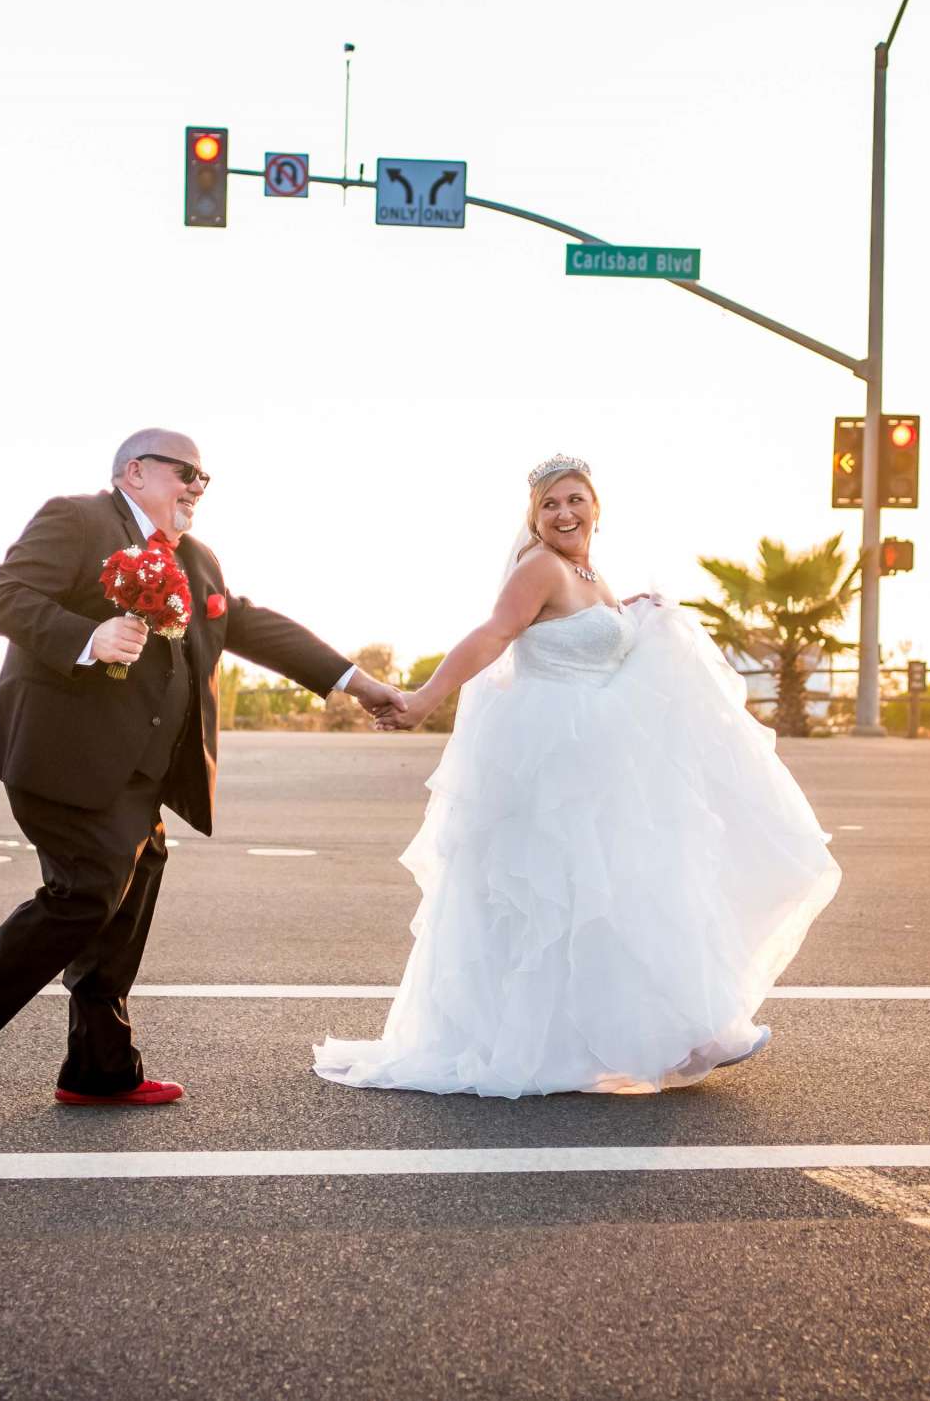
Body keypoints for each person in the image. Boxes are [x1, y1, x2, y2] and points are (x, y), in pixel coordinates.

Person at [0, 428, 407, 1111]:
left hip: (142, 775)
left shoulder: (197, 559)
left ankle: (99, 1068)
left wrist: (355, 681)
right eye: (187, 473)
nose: (198, 488)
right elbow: (8, 597)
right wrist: (86, 637)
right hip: (62, 756)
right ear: (135, 471)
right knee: (86, 894)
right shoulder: (77, 518)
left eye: (206, 479)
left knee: (121, 911)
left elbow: (254, 626)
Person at [314, 454, 841, 1097]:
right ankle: (622, 1035)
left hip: (602, 758)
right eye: (549, 505)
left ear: (596, 506)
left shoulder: (589, 573)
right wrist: (426, 698)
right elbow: (492, 635)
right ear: (533, 518)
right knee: (562, 899)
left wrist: (633, 613)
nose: (564, 513)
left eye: (574, 500)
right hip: (552, 757)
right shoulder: (538, 567)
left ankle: (661, 1030)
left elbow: (596, 642)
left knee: (618, 893)